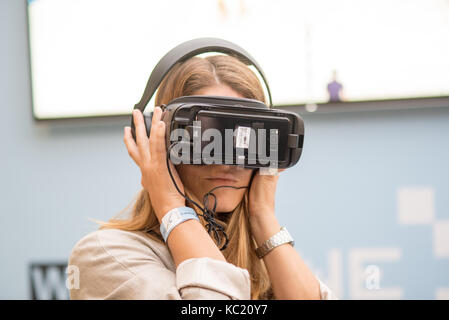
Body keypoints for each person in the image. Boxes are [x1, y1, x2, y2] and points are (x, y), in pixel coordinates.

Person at [68, 54, 337, 300]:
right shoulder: (105, 255)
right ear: (158, 139)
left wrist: (264, 217)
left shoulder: (268, 265)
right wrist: (172, 208)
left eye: (244, 139)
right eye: (207, 138)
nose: (227, 161)